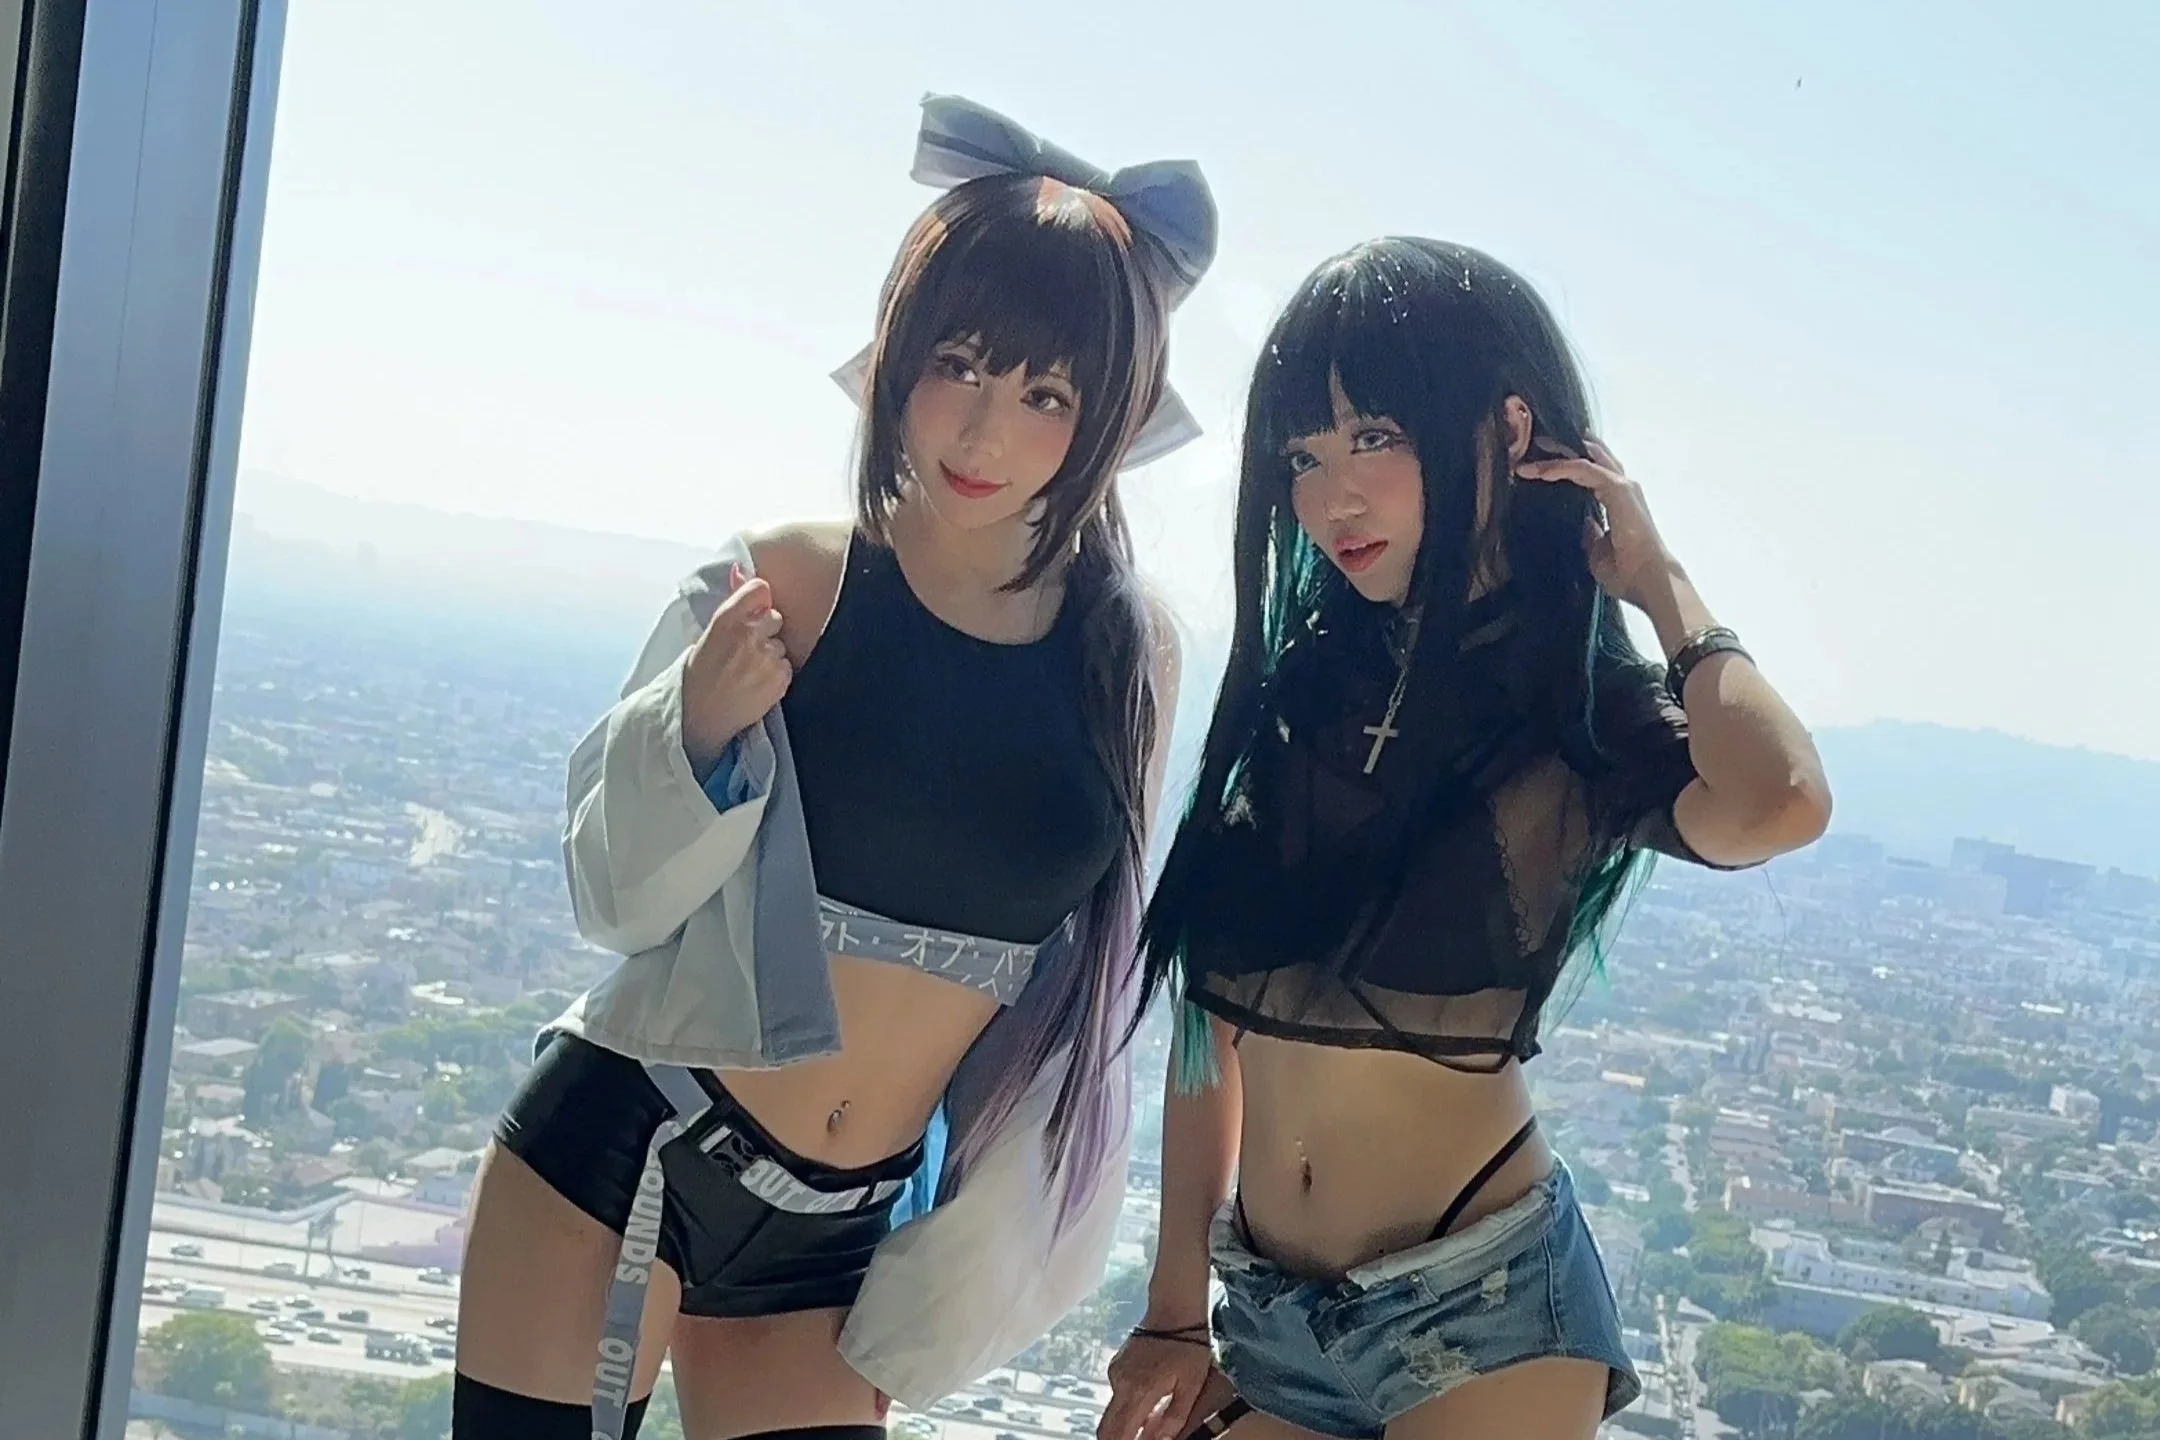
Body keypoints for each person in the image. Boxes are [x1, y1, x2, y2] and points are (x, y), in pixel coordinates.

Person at [452, 95, 1216, 1440]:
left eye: (1049, 394)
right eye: (961, 365)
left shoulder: (1126, 658)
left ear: (1110, 422)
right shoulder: (795, 580)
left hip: (835, 1244)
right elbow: (613, 897)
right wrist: (693, 730)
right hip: (629, 1152)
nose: (986, 432)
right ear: (898, 355)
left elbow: (1100, 995)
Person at [1101, 238, 1831, 1440]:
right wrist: (1177, 1311)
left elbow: (1781, 802)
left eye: (1374, 439)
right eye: (1304, 455)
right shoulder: (1304, 698)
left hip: (1482, 1308)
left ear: (1507, 432)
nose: (1332, 495)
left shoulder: (1571, 713)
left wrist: (1659, 584)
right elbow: (1207, 1041)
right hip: (1274, 1318)